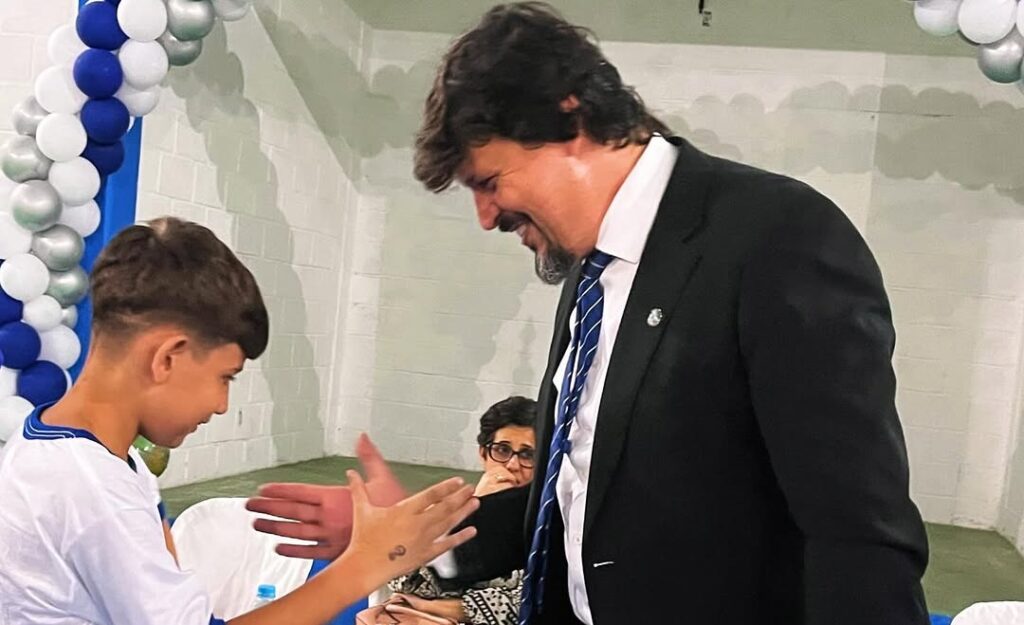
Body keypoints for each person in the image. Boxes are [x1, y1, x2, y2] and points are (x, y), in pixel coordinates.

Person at [248, 3, 931, 624]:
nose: (485, 216)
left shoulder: (777, 236)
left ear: (568, 119)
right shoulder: (590, 274)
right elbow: (577, 491)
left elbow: (857, 530)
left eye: (489, 182)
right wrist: (412, 534)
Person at [0, 217, 479, 625]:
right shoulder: (88, 485)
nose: (222, 405)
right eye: (225, 377)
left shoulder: (93, 457)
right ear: (168, 357)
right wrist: (368, 562)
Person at [378, 396, 537, 625]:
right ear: (483, 454)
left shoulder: (549, 525)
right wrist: (478, 508)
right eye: (502, 450)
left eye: (527, 455)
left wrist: (452, 608)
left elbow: (533, 602)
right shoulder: (445, 511)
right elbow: (405, 582)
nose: (512, 465)